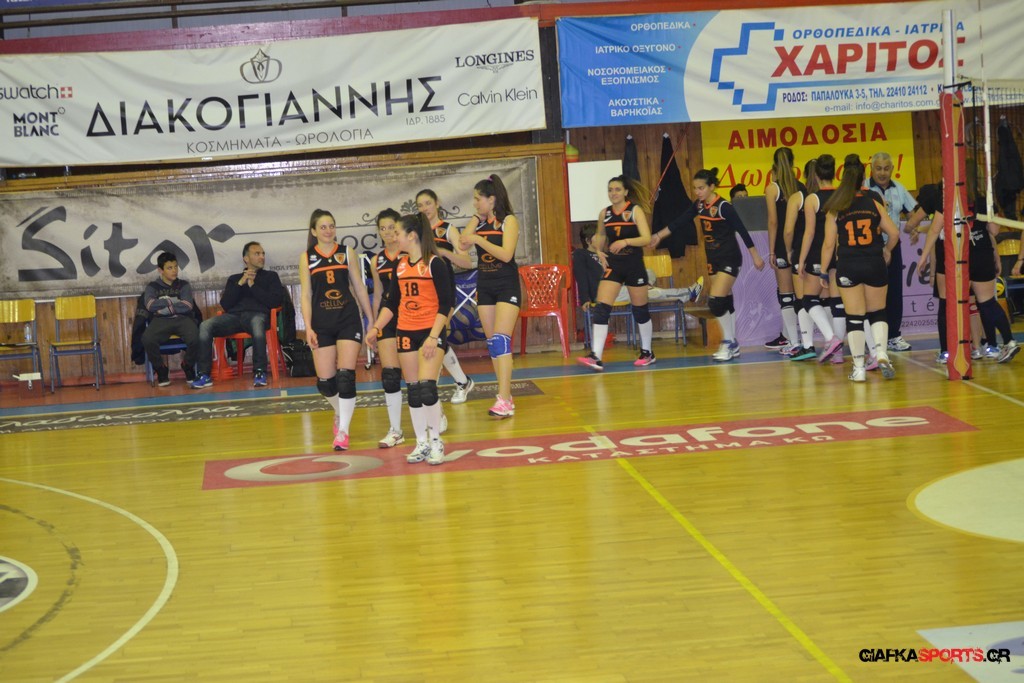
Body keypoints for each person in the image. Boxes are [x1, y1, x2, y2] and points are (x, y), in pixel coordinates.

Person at [651, 167, 765, 361]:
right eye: (695, 188)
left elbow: (742, 231)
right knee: (725, 302)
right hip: (713, 258)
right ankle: (733, 344)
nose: (697, 192)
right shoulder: (699, 205)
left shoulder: (724, 207)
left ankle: (728, 342)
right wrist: (659, 235)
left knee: (715, 302)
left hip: (730, 258)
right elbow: (679, 222)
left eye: (701, 188)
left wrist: (755, 255)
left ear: (712, 186)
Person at [367, 213, 453, 465]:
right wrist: (375, 328)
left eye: (398, 233)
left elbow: (446, 303)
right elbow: (391, 302)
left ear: (412, 235)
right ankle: (421, 442)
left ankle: (436, 441)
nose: (395, 237)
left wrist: (433, 336)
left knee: (427, 388)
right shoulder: (400, 265)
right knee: (414, 390)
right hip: (405, 331)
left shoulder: (435, 263)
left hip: (430, 331)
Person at [912, 183, 1019, 364]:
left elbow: (935, 229)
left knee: (948, 304)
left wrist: (923, 257)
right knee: (987, 303)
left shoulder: (947, 199)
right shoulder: (984, 199)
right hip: (981, 252)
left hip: (958, 254)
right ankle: (1009, 341)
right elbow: (994, 230)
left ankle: (947, 351)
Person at [299, 208, 374, 452]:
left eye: (331, 225)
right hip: (321, 323)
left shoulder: (346, 252)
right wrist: (308, 327)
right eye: (323, 227)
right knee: (326, 383)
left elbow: (359, 287)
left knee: (345, 376)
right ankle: (339, 412)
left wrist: (370, 320)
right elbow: (306, 294)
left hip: (347, 319)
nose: (328, 230)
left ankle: (343, 431)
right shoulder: (307, 257)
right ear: (313, 231)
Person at [820, 153, 900, 382]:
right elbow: (894, 233)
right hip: (874, 263)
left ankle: (858, 369)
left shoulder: (835, 207)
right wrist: (887, 251)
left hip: (848, 265)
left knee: (854, 317)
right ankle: (881, 352)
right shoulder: (873, 202)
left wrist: (823, 271)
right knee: (878, 313)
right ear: (863, 179)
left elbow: (828, 245)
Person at [577, 175, 656, 371]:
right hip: (614, 266)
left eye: (617, 189)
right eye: (610, 190)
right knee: (601, 308)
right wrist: (599, 251)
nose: (613, 193)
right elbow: (601, 235)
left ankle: (647, 352)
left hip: (634, 265)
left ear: (626, 192)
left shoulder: (634, 211)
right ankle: (596, 356)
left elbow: (646, 238)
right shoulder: (605, 213)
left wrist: (626, 242)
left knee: (640, 311)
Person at [459, 174, 520, 418]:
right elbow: (462, 244)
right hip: (485, 285)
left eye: (478, 199)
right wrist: (476, 220)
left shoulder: (509, 221)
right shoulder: (480, 223)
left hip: (506, 285)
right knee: (493, 343)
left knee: (502, 340)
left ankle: (503, 398)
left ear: (491, 200)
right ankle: (506, 396)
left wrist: (478, 239)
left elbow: (506, 255)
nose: (475, 203)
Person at [190, 241, 285, 389]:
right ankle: (204, 374)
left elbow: (275, 301)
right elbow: (226, 304)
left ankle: (259, 372)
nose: (262, 257)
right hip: (233, 318)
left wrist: (253, 286)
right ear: (246, 259)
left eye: (263, 254)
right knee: (205, 326)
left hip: (257, 316)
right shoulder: (234, 279)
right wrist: (240, 283)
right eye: (257, 254)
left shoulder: (271, 277)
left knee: (257, 323)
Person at [416, 188, 476, 405]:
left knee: (438, 335)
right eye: (420, 205)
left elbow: (467, 262)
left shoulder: (447, 229)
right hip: (423, 290)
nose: (424, 208)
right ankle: (461, 381)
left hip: (443, 289)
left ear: (437, 203)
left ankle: (455, 383)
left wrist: (444, 253)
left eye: (428, 203)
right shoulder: (417, 231)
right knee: (431, 337)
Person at [793, 154, 844, 363]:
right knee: (836, 302)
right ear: (834, 172)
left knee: (809, 299)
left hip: (817, 252)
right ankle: (837, 354)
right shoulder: (842, 196)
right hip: (838, 253)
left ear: (815, 175)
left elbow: (810, 232)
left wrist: (801, 260)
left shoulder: (812, 199)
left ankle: (832, 339)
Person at [866, 152, 918, 352]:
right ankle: (872, 339)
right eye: (878, 168)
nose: (882, 173)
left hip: (893, 247)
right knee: (872, 294)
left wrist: (913, 228)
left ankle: (894, 336)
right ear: (872, 169)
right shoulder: (864, 188)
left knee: (895, 292)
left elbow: (912, 213)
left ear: (892, 169)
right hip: (871, 249)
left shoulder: (899, 188)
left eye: (886, 168)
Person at [369, 209, 406, 448]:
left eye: (391, 227)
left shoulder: (410, 254)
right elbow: (378, 295)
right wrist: (375, 325)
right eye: (383, 228)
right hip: (387, 317)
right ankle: (396, 430)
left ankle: (434, 414)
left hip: (411, 315)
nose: (387, 232)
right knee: (391, 375)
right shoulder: (377, 260)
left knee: (416, 377)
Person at [765, 147, 804, 356]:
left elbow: (773, 222)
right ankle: (800, 339)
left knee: (786, 295)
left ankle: (792, 341)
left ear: (774, 165)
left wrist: (771, 251)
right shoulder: (801, 187)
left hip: (782, 244)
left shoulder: (773, 188)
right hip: (800, 245)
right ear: (793, 162)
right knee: (802, 296)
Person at [141, 251, 199, 387]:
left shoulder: (184, 285)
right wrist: (172, 301)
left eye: (176, 267)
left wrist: (164, 307)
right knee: (147, 339)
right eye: (169, 268)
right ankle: (160, 369)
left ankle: (188, 365)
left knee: (196, 337)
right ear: (160, 270)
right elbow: (150, 305)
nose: (174, 271)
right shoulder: (152, 287)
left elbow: (187, 305)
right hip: (161, 320)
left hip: (182, 319)